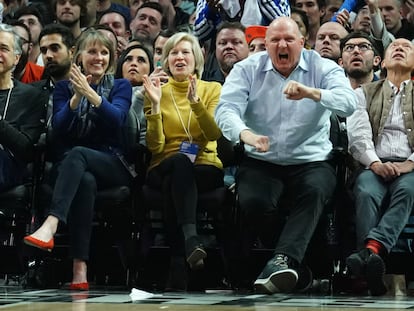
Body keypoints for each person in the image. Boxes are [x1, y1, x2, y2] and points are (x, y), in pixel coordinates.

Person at [214, 17, 357, 294]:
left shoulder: (322, 67)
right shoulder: (247, 69)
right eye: (275, 40)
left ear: (302, 43)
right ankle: (297, 267)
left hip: (312, 161)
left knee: (314, 192)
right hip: (261, 159)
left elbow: (349, 103)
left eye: (289, 40)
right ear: (265, 44)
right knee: (254, 202)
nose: (282, 45)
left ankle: (282, 261)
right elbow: (225, 110)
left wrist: (312, 93)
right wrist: (245, 134)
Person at [23, 28, 133, 290]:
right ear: (79, 56)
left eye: (104, 52)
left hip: (111, 162)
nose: (98, 57)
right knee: (83, 180)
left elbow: (117, 120)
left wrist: (92, 94)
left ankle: (51, 223)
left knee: (78, 154)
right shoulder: (62, 88)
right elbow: (58, 128)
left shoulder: (121, 86)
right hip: (72, 169)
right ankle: (79, 269)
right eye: (92, 51)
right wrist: (75, 97)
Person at [142, 32, 223, 290]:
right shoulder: (156, 91)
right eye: (173, 53)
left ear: (196, 58)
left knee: (173, 184)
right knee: (178, 164)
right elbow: (155, 146)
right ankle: (191, 239)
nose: (179, 57)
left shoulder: (212, 89)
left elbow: (213, 135)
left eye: (185, 52)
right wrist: (155, 106)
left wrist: (196, 105)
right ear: (165, 61)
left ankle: (178, 261)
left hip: (204, 166)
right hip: (164, 163)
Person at [345, 38, 414, 296]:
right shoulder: (364, 92)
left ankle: (369, 253)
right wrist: (374, 162)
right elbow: (358, 134)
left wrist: (410, 163)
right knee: (365, 191)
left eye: (406, 48)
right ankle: (371, 259)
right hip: (373, 164)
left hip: (411, 167)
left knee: (407, 191)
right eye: (393, 47)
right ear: (382, 62)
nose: (399, 48)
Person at [0, 23, 45, 191]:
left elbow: (27, 150)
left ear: (17, 58)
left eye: (3, 48)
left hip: (9, 167)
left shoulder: (32, 96)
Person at [115, 43, 154, 144]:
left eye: (141, 60)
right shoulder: (110, 90)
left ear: (151, 69)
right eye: (128, 59)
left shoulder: (156, 96)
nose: (134, 64)